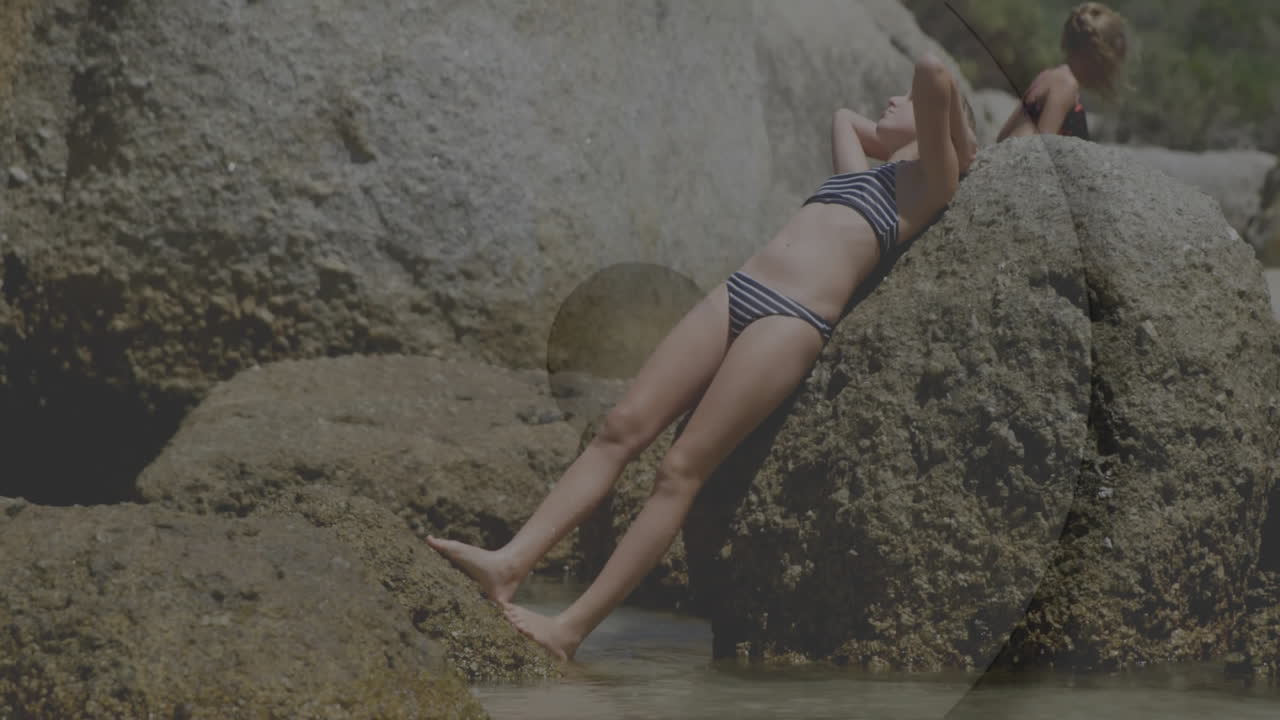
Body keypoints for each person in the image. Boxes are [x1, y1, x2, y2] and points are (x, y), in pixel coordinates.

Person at [427, 55, 979, 662]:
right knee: (619, 428)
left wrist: (954, 134)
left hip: (790, 320)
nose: (890, 103)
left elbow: (934, 72)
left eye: (901, 101)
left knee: (679, 472)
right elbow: (844, 117)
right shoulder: (863, 177)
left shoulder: (931, 184)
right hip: (739, 290)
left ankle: (570, 630)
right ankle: (510, 564)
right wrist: (886, 135)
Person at [996, 2, 1128, 142]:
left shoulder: (1048, 76)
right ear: (1100, 57)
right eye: (1114, 62)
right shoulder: (1066, 84)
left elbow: (1002, 137)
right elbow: (1040, 150)